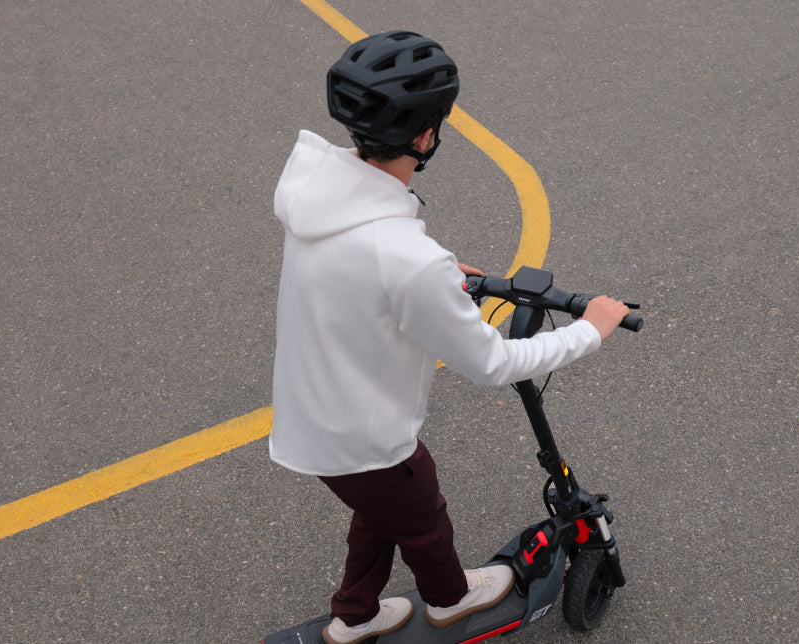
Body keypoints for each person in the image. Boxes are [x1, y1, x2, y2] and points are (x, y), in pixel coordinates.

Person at [268, 31, 631, 644]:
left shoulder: (320, 198)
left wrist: (435, 276)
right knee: (423, 519)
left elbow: (367, 272)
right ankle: (449, 600)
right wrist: (590, 331)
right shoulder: (405, 259)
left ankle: (353, 618)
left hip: (314, 415)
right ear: (425, 135)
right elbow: (493, 364)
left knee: (379, 516)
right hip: (367, 435)